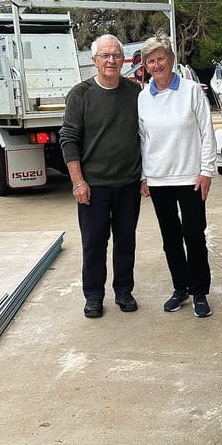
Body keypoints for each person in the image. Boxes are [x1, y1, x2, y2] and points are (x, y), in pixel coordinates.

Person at [59, 35, 143, 319]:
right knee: (94, 243)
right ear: (94, 60)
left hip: (128, 183)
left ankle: (124, 290)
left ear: (123, 59)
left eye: (116, 55)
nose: (111, 60)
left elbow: (146, 134)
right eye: (105, 55)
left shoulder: (134, 92)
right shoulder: (80, 95)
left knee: (126, 241)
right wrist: (78, 182)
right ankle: (94, 296)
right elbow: (69, 139)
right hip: (93, 186)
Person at [137, 34, 217, 318]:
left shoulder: (191, 91)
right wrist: (144, 176)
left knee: (193, 234)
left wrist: (206, 170)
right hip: (158, 179)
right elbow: (143, 139)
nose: (156, 65)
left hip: (190, 176)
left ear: (171, 60)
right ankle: (180, 288)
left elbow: (207, 131)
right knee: (170, 237)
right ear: (145, 66)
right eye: (151, 61)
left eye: (161, 58)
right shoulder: (143, 98)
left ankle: (199, 292)